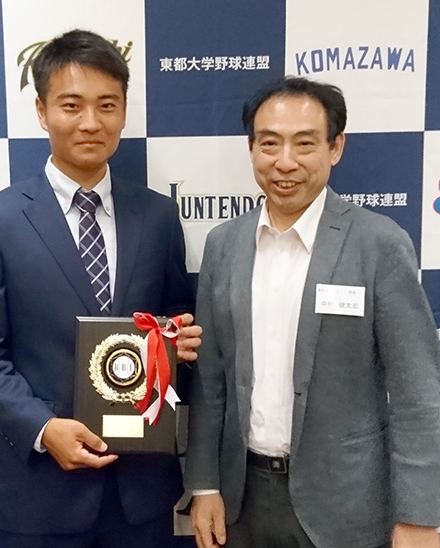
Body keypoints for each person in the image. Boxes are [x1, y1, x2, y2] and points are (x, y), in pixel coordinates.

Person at [0, 29, 201, 548]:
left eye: (107, 105)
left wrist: (178, 345)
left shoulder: (157, 216)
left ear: (124, 111)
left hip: (141, 497)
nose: (91, 122)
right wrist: (44, 430)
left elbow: (174, 315)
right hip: (39, 496)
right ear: (42, 111)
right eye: (72, 105)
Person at [184, 76, 440, 548]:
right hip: (242, 502)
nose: (285, 162)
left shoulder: (378, 244)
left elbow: (418, 394)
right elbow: (210, 382)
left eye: (305, 144)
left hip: (346, 505)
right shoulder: (223, 244)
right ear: (251, 148)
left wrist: (421, 515)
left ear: (335, 147)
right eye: (269, 143)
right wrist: (205, 485)